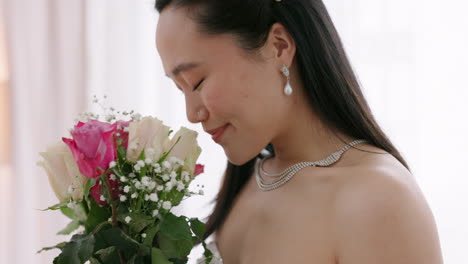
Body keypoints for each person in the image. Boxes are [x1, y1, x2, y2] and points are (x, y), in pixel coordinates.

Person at [154, 0, 444, 263]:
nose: (192, 114)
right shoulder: (252, 179)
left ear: (279, 45)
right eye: (179, 89)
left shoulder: (376, 200)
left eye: (196, 81)